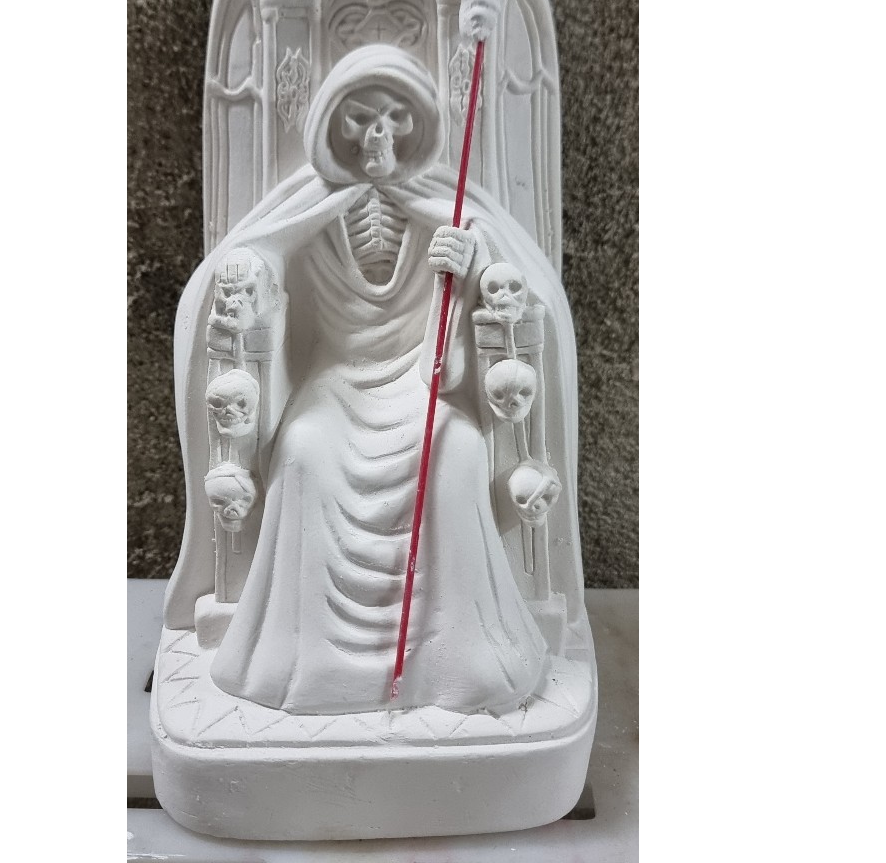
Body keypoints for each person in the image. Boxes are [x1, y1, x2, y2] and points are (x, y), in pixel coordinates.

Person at [165, 45, 580, 714]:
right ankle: (306, 660)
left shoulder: (451, 209)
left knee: (458, 451)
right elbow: (260, 254)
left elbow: (505, 285)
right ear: (334, 123)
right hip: (334, 381)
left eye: (393, 117)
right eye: (361, 118)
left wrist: (471, 265)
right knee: (303, 452)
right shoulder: (305, 204)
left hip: (421, 382)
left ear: (418, 124)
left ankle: (459, 659)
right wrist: (249, 269)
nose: (378, 135)